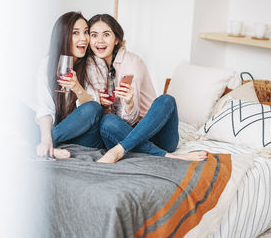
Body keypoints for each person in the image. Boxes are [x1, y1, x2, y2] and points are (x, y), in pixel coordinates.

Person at [87, 14, 208, 163]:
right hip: (122, 133)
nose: (100, 40)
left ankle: (120, 151)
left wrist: (129, 102)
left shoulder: (132, 63)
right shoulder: (91, 66)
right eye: (94, 35)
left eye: (106, 34)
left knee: (166, 100)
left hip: (154, 132)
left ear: (116, 39)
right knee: (107, 122)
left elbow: (131, 118)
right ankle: (162, 156)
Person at [35, 12, 107, 159]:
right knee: (10, 104)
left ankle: (40, 146)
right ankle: (50, 146)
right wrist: (46, 138)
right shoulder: (47, 64)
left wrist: (77, 88)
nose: (84, 38)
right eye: (76, 33)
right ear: (63, 36)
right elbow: (45, 108)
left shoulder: (95, 64)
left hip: (85, 137)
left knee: (92, 108)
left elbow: (94, 111)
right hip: (60, 131)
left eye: (86, 32)